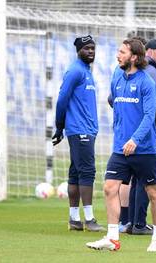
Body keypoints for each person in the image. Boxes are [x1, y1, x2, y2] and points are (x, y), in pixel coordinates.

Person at [86, 38, 156, 252]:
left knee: (152, 192)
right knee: (110, 187)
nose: (117, 55)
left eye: (122, 52)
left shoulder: (147, 82)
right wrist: (121, 131)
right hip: (120, 147)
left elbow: (150, 116)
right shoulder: (116, 76)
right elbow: (114, 102)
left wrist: (134, 139)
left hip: (144, 148)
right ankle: (112, 237)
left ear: (135, 57)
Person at [52, 35, 104, 232]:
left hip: (86, 130)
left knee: (75, 173)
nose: (90, 51)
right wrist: (59, 126)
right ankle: (89, 219)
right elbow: (61, 99)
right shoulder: (75, 71)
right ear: (78, 51)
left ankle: (74, 220)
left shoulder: (86, 71)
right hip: (80, 130)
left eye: (93, 48)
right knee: (87, 172)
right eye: (86, 48)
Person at [124, 38, 156, 235]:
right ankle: (139, 224)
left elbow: (113, 99)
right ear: (150, 51)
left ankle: (133, 222)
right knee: (147, 182)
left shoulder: (141, 71)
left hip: (139, 132)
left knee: (138, 180)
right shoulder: (151, 72)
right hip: (151, 134)